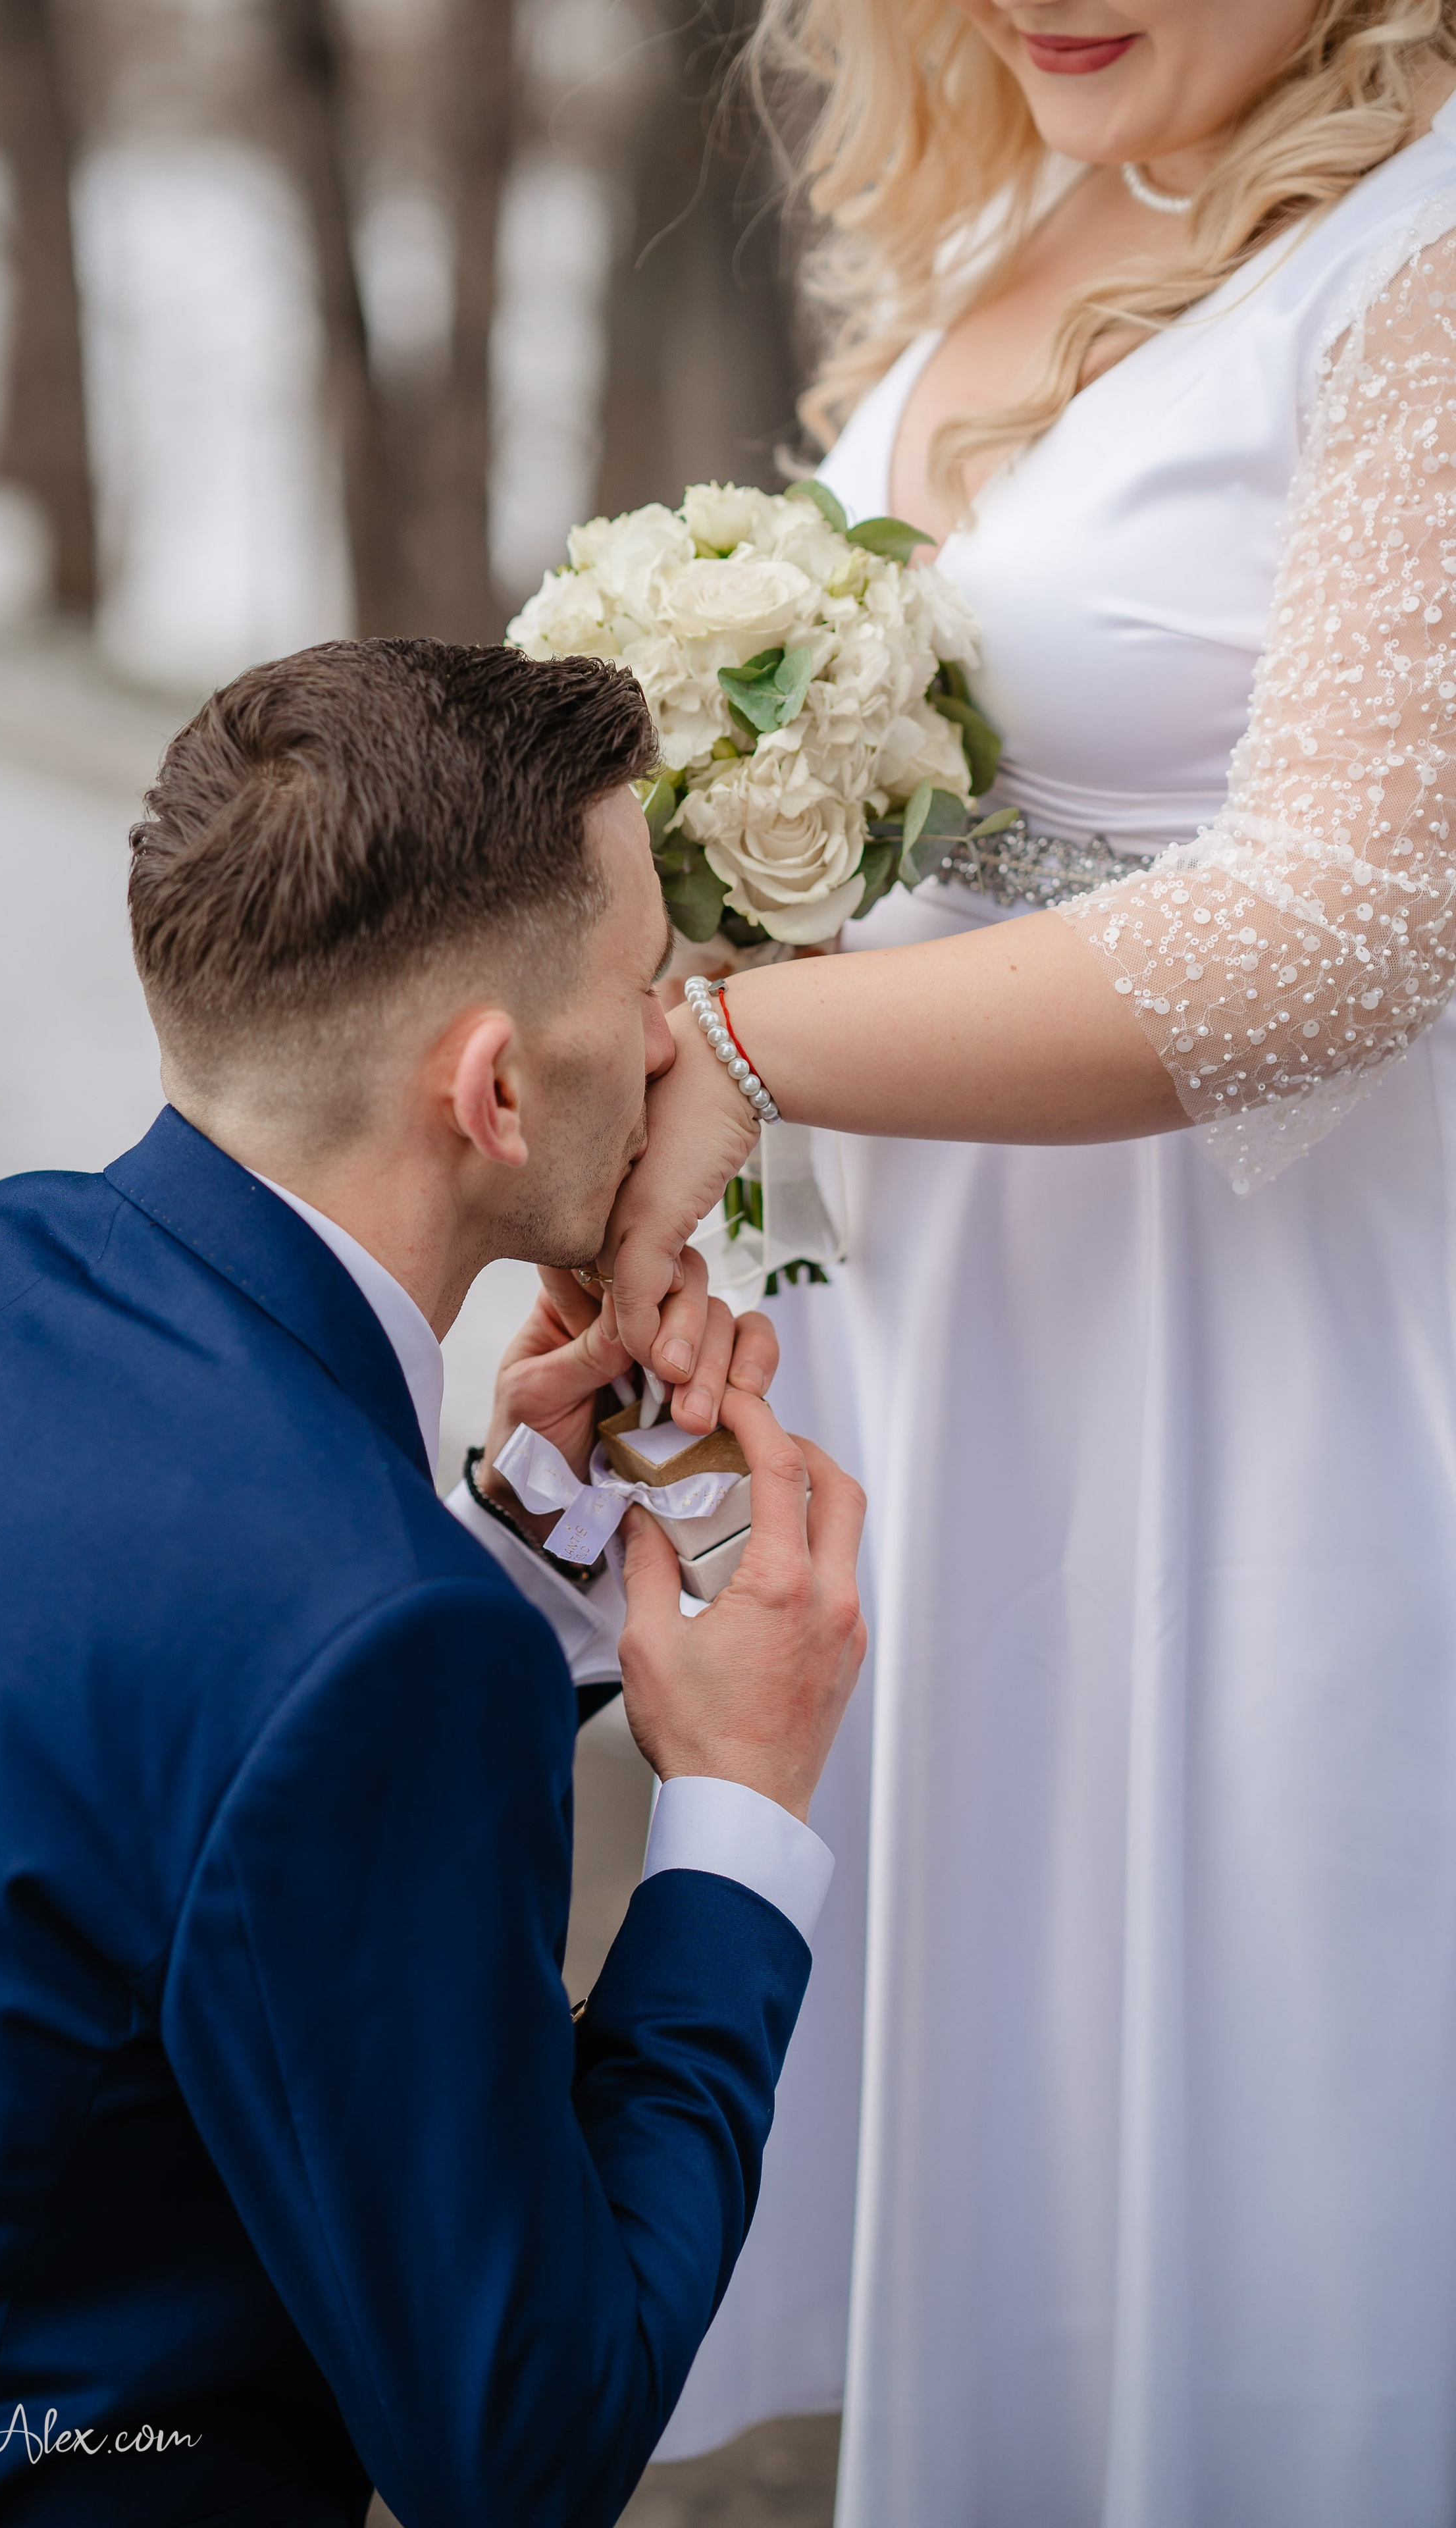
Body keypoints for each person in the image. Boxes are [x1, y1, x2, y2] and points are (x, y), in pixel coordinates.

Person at [597, 4, 1456, 2519]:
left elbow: (1346, 922)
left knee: (1266, 2146)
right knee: (1036, 2153)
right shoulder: (1015, 200)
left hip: (1264, 1381)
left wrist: (744, 1043)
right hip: (973, 1358)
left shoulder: (1420, 261)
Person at [0, 638, 868, 2527]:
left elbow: (169, 1769)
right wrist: (733, 1809)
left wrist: (529, 1556)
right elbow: (521, 2443)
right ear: (498, 1094)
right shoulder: (369, 1638)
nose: (682, 1037)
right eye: (649, 987)